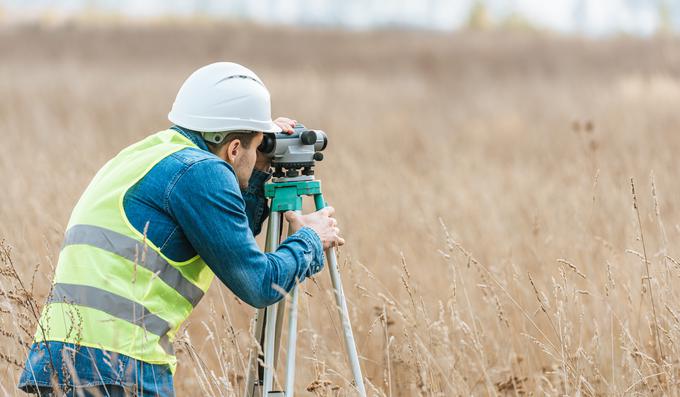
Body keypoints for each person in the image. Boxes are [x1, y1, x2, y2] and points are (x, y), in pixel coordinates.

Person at [17, 62, 343, 396]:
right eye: (255, 143)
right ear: (233, 148)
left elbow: (226, 234)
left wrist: (256, 165)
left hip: (55, 362)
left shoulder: (149, 154)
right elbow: (258, 284)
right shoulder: (202, 173)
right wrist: (310, 240)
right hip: (120, 367)